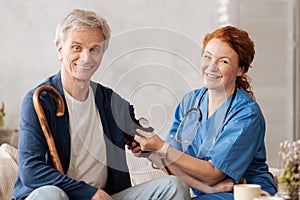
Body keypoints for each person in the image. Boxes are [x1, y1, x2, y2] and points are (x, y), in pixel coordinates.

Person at [12, 9, 191, 200]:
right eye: (77, 48)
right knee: (51, 194)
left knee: (173, 186)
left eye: (94, 49)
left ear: (103, 52)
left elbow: (150, 145)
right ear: (59, 48)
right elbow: (31, 171)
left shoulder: (110, 101)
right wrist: (88, 193)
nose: (86, 58)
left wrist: (205, 185)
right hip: (64, 196)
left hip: (107, 197)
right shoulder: (40, 100)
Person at [133, 26, 277, 199]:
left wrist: (162, 148)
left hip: (244, 193)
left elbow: (214, 174)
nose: (211, 67)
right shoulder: (190, 102)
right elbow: (172, 162)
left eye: (223, 61)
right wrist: (152, 153)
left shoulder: (246, 115)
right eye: (207, 57)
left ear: (240, 69)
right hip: (208, 192)